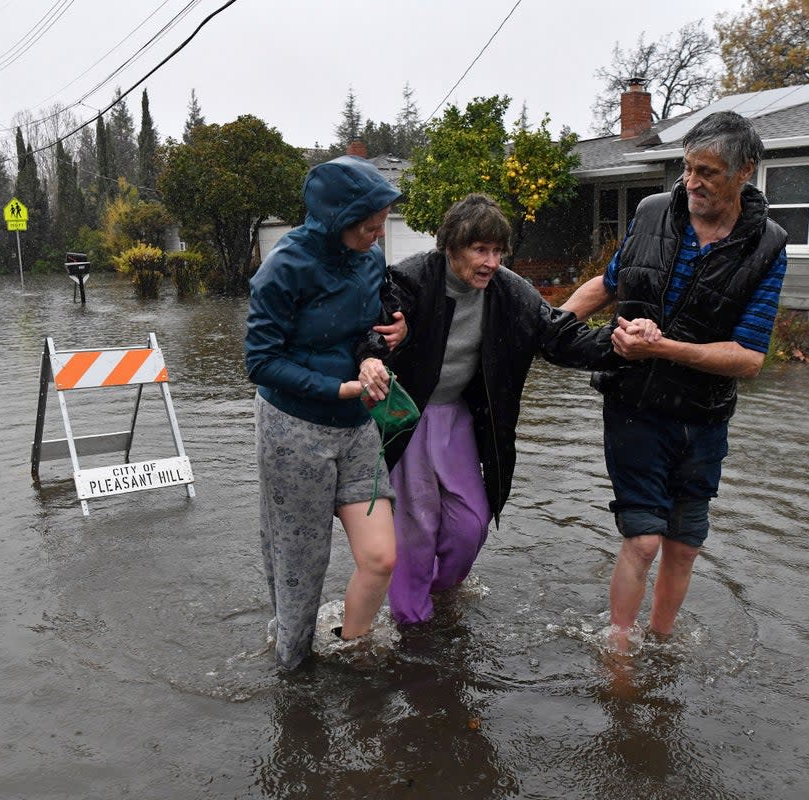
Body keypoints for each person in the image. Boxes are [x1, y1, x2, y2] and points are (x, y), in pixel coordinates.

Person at [560, 111, 788, 647]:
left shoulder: (769, 246)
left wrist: (662, 346)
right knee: (643, 540)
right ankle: (619, 650)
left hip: (703, 418)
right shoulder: (652, 212)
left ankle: (660, 643)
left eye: (707, 172)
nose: (692, 183)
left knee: (684, 547)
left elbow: (750, 357)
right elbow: (610, 282)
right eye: (687, 169)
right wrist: (550, 327)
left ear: (744, 171)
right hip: (633, 404)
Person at [383, 193, 615, 625]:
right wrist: (384, 336)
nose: (490, 262)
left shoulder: (510, 291)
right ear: (450, 246)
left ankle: (439, 594)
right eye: (479, 249)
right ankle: (411, 623)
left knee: (471, 523)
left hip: (456, 417)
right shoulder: (411, 279)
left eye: (497, 251)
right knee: (416, 527)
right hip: (406, 416)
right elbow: (372, 322)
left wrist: (618, 340)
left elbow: (558, 337)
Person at [246, 155, 406, 670]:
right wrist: (340, 387)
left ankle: (353, 656)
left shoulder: (370, 259)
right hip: (294, 430)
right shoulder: (282, 269)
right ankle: (293, 681)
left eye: (383, 223)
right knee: (301, 568)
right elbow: (261, 361)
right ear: (337, 220)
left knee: (381, 558)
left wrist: (377, 349)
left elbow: (367, 327)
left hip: (358, 425)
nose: (380, 234)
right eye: (370, 225)